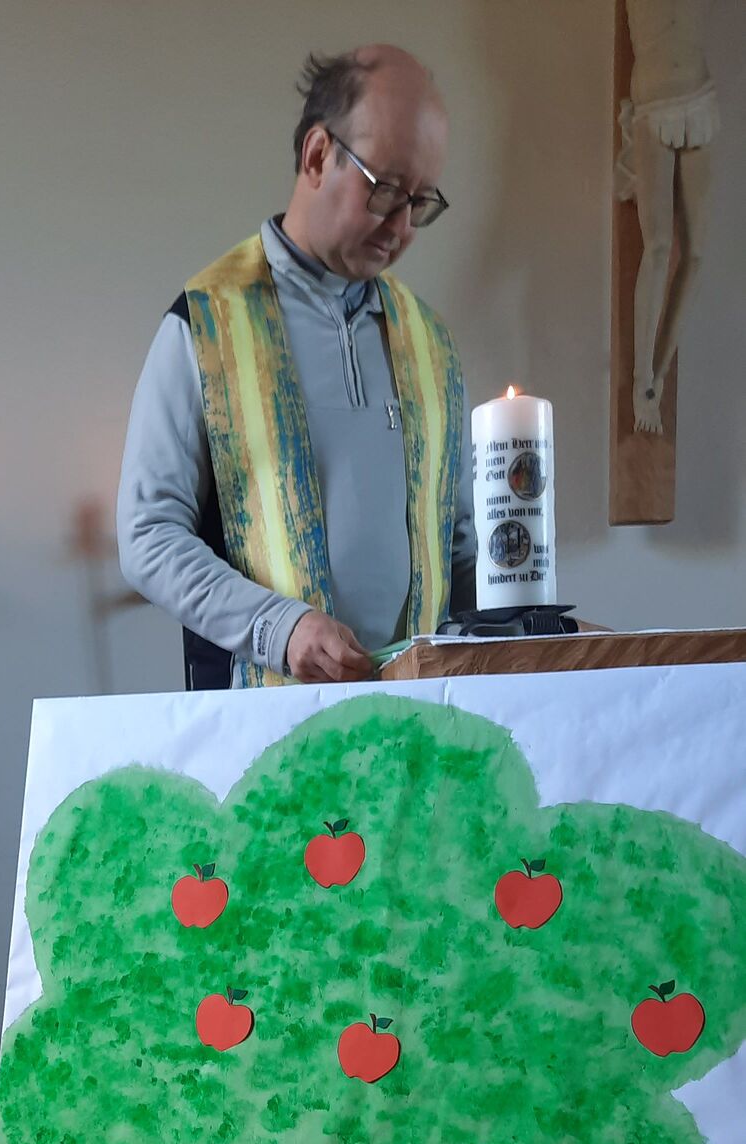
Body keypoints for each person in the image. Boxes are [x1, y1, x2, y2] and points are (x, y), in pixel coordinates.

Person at [117, 44, 475, 687]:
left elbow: (462, 547)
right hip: (261, 717)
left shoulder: (431, 341)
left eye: (420, 203)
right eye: (386, 190)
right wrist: (278, 629)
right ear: (316, 155)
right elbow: (148, 535)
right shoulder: (205, 324)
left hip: (419, 721)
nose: (401, 227)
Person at [615, 0, 719, 435]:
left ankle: (657, 378)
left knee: (695, 255)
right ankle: (642, 381)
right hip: (654, 103)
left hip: (699, 96)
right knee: (657, 246)